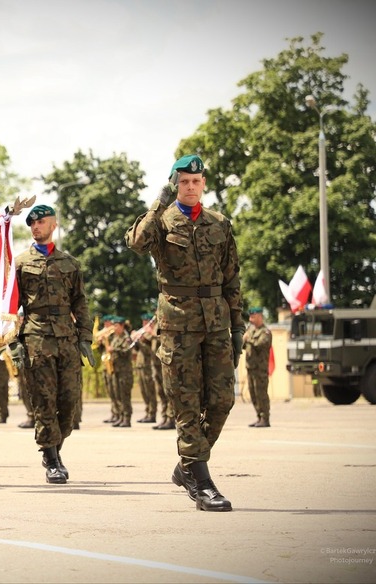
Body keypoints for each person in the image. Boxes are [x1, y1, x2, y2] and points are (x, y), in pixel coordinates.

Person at [126, 154, 244, 512]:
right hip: (178, 325)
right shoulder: (161, 222)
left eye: (196, 181)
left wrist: (237, 326)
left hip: (217, 324)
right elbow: (136, 242)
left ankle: (187, 465)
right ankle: (200, 479)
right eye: (183, 182)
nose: (190, 187)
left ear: (204, 183)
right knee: (187, 403)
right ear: (174, 185)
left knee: (223, 400)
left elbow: (232, 279)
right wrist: (157, 204)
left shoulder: (220, 224)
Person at [11, 204, 94, 484]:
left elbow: (80, 302)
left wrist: (85, 337)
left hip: (67, 338)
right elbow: (10, 306)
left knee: (69, 402)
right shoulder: (20, 264)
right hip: (36, 337)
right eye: (32, 223)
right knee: (44, 401)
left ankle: (55, 446)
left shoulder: (70, 263)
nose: (36, 226)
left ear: (53, 224)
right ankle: (51, 458)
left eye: (41, 222)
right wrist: (13, 343)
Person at [243, 307, 272, 427]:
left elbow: (260, 345)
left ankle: (265, 418)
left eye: (253, 317)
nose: (250, 319)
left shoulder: (265, 332)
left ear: (260, 317)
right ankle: (259, 417)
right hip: (250, 368)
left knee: (261, 394)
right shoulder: (250, 331)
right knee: (253, 393)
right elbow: (243, 345)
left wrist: (247, 338)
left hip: (260, 369)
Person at [107, 318, 133, 428]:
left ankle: (127, 418)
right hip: (116, 370)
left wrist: (114, 349)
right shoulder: (115, 337)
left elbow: (126, 351)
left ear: (122, 326)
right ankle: (121, 416)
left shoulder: (126, 338)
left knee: (124, 395)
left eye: (116, 325)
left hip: (124, 372)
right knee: (117, 395)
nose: (114, 328)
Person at [133, 313, 157, 424]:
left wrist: (141, 341)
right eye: (143, 322)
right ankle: (147, 412)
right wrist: (135, 341)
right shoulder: (143, 335)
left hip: (148, 366)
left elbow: (149, 351)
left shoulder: (151, 336)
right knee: (143, 391)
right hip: (140, 365)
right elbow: (136, 351)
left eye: (146, 322)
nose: (144, 324)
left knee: (150, 391)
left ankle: (152, 413)